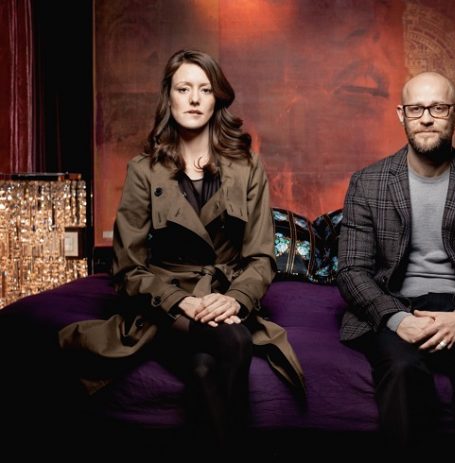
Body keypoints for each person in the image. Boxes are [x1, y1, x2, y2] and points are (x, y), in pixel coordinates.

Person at [59, 49, 303, 451]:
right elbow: (127, 268)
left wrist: (235, 299)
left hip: (223, 295)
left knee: (204, 369)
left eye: (204, 90)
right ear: (168, 97)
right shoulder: (143, 170)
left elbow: (261, 256)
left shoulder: (247, 167)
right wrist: (181, 302)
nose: (193, 99)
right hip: (164, 306)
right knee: (235, 342)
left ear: (217, 99)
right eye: (183, 88)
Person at [336, 71, 455, 460]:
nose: (425, 118)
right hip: (397, 303)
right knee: (402, 369)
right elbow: (352, 271)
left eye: (438, 108)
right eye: (416, 109)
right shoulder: (367, 183)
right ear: (400, 114)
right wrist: (398, 320)